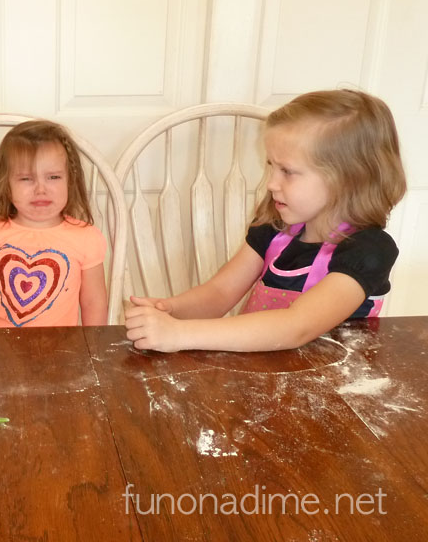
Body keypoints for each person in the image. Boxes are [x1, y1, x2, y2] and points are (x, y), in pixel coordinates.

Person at [125, 89, 407, 352]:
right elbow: (219, 293)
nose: (271, 183)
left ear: (348, 179)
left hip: (333, 392)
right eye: (270, 166)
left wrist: (179, 335)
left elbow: (296, 327)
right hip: (259, 382)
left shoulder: (368, 251)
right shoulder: (273, 231)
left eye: (288, 171)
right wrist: (169, 311)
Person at [0, 120, 108, 328]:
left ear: (70, 181)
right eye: (26, 179)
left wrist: (93, 350)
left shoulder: (86, 238)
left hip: (62, 353)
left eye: (53, 177)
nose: (41, 189)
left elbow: (93, 302)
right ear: (7, 184)